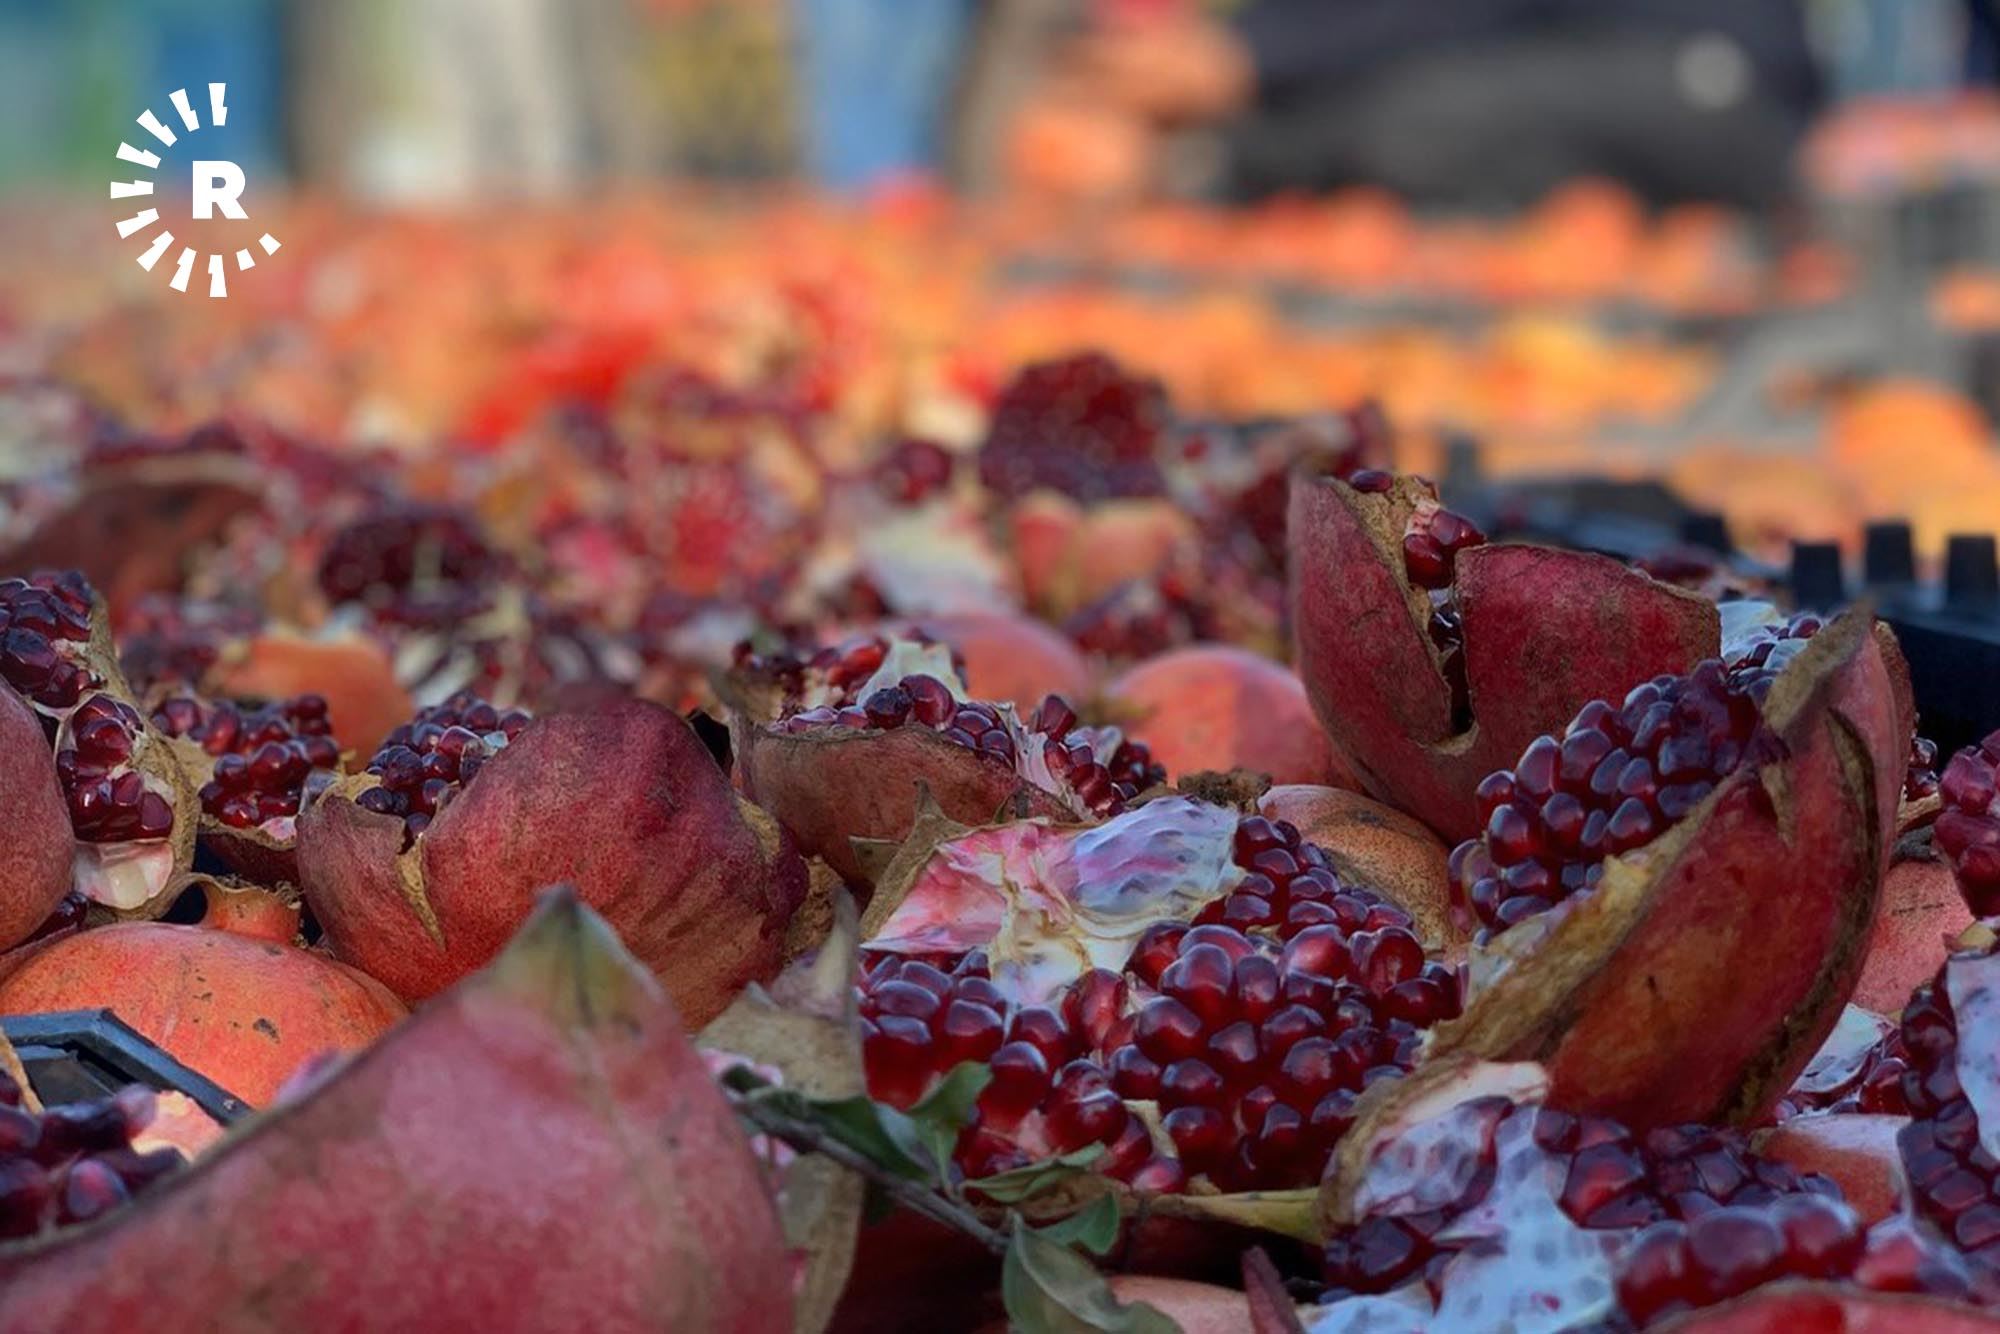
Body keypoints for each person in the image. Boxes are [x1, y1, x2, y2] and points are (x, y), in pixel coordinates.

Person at [1048, 0, 1826, 209]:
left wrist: (1247, 57)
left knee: (1427, 119)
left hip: (1714, 76)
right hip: (1583, 49)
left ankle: (1204, 173)